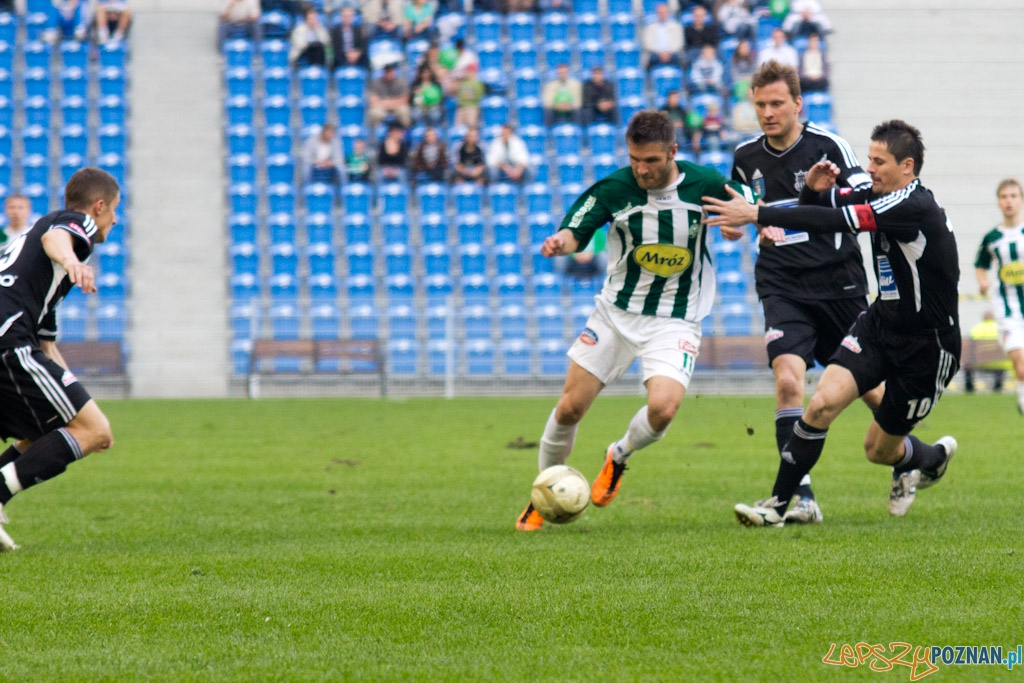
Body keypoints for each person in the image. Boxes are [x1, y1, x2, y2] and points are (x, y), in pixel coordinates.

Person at [704, 119, 961, 524]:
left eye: (879, 162)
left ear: (907, 166)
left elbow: (835, 222)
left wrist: (756, 212)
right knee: (820, 403)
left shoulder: (911, 206)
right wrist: (812, 190)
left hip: (928, 345)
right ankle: (778, 505)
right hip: (879, 325)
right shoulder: (877, 191)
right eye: (870, 158)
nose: (869, 168)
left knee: (878, 450)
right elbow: (823, 206)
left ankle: (929, 459)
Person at [515, 110, 754, 531]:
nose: (642, 169)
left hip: (675, 319)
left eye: (651, 161)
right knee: (570, 408)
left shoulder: (705, 182)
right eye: (635, 160)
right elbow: (576, 229)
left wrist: (739, 223)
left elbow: (745, 202)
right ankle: (543, 493)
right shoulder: (614, 187)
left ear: (672, 152)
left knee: (663, 408)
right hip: (615, 315)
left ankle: (619, 455)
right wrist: (561, 242)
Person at [727, 61, 882, 524]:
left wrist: (794, 204)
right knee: (789, 380)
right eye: (760, 105)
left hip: (838, 284)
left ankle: (916, 458)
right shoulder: (745, 155)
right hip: (781, 285)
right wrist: (741, 224)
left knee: (874, 394)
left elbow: (863, 199)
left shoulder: (828, 146)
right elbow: (737, 214)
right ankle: (802, 498)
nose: (768, 113)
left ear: (798, 103)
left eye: (777, 104)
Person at [0, 167, 121, 551]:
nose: (115, 220)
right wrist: (72, 261)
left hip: (13, 336)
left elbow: (49, 351)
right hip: (6, 339)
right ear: (99, 206)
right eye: (114, 210)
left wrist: (84, 410)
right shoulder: (71, 225)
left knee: (49, 430)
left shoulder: (40, 278)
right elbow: (58, 238)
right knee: (93, 431)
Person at [974, 177, 1024, 415]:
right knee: (1021, 365)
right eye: (1004, 197)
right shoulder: (993, 238)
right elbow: (980, 264)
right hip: (1008, 310)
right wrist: (983, 282)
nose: (1009, 201)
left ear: (1021, 200)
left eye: (1013, 196)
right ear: (998, 202)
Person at [962, 313, 1006, 394]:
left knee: (968, 363)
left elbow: (970, 347)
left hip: (978, 363)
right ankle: (998, 387)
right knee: (1001, 359)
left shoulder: (976, 328)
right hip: (998, 363)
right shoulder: (999, 328)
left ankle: (969, 387)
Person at [368, 62, 412, 128]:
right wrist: (387, 103)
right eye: (387, 72)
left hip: (397, 106)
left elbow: (405, 99)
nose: (388, 74)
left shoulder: (401, 82)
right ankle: (374, 135)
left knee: (404, 110)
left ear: (394, 72)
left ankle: (406, 132)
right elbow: (372, 100)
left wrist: (389, 103)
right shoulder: (376, 83)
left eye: (390, 71)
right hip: (381, 107)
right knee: (374, 113)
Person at [642, 3, 684, 71]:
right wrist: (660, 53)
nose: (662, 15)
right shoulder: (650, 27)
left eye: (664, 12)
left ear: (668, 13)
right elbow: (647, 44)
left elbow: (679, 43)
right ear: (657, 14)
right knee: (652, 59)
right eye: (660, 13)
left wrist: (668, 53)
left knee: (678, 58)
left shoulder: (676, 26)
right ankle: (651, 80)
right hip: (656, 53)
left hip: (672, 53)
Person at [451, 63, 485, 128]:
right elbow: (456, 92)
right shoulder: (462, 82)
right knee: (458, 127)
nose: (467, 73)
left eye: (469, 71)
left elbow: (479, 96)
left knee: (471, 126)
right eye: (467, 71)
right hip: (461, 107)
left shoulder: (477, 83)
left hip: (472, 107)